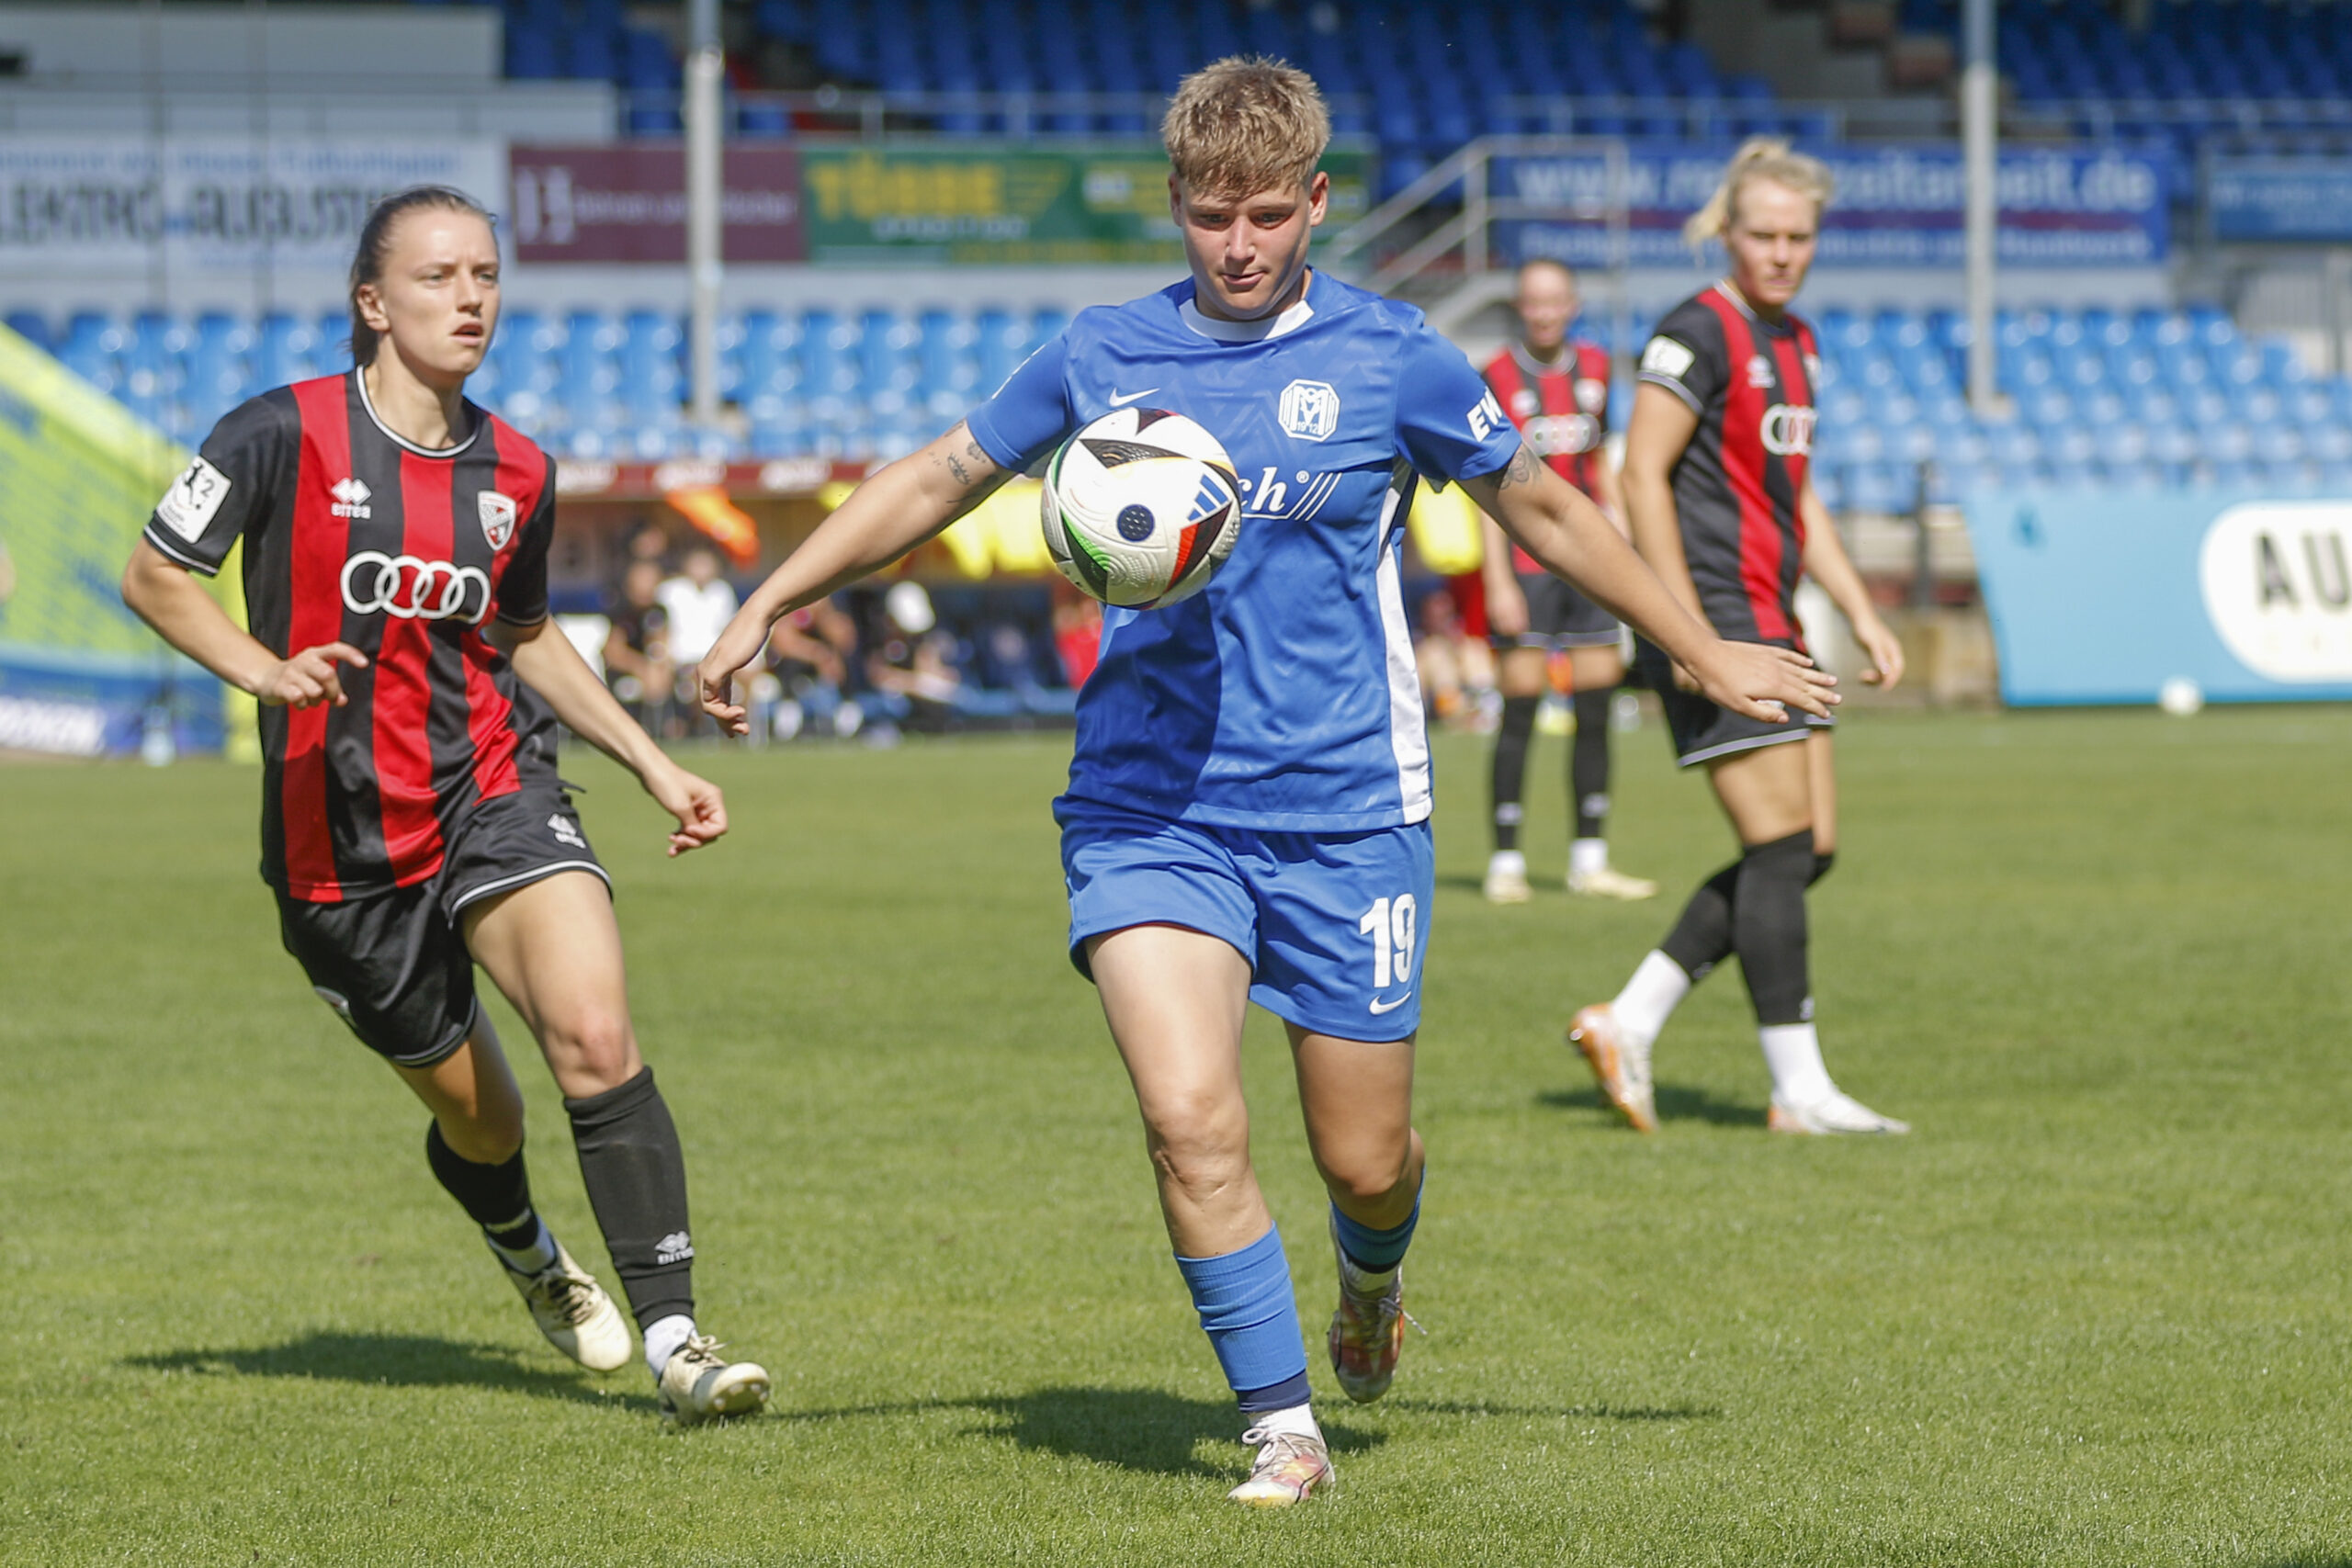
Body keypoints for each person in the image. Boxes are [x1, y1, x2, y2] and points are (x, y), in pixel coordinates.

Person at [695, 62, 1833, 1507]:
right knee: (1190, 1116)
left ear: (1317, 204)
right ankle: (1281, 1423)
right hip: (1149, 806)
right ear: (1174, 203)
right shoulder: (1104, 353)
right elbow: (938, 475)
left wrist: (1703, 653)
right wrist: (765, 601)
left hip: (1350, 810)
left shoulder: (1395, 355)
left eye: (1264, 216)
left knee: (1362, 1158)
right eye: (1209, 215)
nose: (1236, 244)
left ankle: (1374, 1275)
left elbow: (1544, 506)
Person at [118, 186, 771, 1423]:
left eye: (485, 275)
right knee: (486, 1121)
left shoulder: (519, 466)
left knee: (592, 1028)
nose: (469, 297)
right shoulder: (276, 432)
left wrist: (651, 760)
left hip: (492, 783)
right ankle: (527, 1245)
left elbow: (523, 634)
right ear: (372, 302)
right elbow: (157, 574)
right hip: (338, 847)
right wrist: (265, 670)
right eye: (436, 277)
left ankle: (679, 1338)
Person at [1566, 140, 1909, 1138]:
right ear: (1725, 231)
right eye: (1761, 234)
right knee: (1778, 845)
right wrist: (1683, 631)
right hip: (1714, 616)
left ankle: (1626, 1021)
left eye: (1797, 236)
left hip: (1774, 613)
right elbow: (1638, 476)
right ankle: (1798, 1090)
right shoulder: (1696, 333)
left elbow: (1797, 496)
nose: (1780, 252)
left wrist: (1860, 608)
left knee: (1812, 850)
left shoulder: (1797, 342)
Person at [1477, 259, 1656, 904]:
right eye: (1534, 302)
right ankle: (1505, 861)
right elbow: (1488, 490)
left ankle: (1590, 857)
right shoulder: (1494, 376)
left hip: (1588, 564)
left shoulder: (1600, 370)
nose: (1545, 313)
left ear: (1573, 304)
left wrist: (1627, 547)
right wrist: (1496, 580)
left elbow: (1601, 469)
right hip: (1526, 565)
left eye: (1556, 302)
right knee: (1520, 707)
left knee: (1596, 707)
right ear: (1519, 306)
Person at [657, 546, 739, 731]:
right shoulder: (670, 591)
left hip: (717, 657)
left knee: (749, 677)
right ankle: (700, 729)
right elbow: (660, 629)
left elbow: (729, 629)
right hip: (681, 659)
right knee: (698, 681)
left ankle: (738, 731)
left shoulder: (722, 591)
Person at [602, 558, 674, 733]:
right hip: (623, 672)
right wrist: (640, 666)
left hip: (652, 670)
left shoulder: (658, 611)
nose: (647, 586)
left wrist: (659, 664)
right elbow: (613, 653)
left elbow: (661, 645)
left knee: (662, 674)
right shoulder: (620, 612)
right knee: (651, 677)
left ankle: (663, 726)